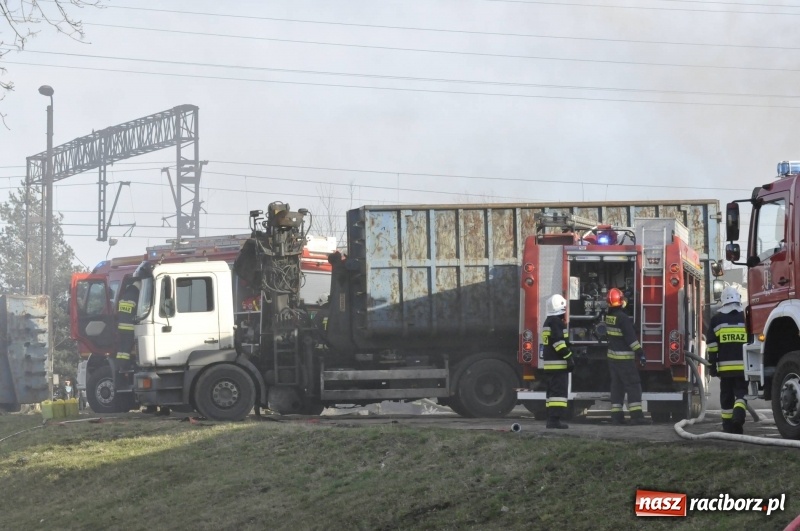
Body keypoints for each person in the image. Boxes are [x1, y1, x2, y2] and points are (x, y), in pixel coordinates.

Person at [605, 288, 651, 425]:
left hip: (612, 359)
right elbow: (631, 339)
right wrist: (640, 353)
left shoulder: (609, 317)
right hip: (624, 359)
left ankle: (617, 417)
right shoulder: (623, 318)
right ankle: (636, 416)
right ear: (621, 301)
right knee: (633, 385)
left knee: (617, 386)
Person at [707, 286, 748, 434]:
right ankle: (739, 417)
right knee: (741, 394)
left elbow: (712, 346)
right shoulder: (746, 318)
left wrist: (712, 366)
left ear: (723, 300)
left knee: (726, 397)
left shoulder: (717, 319)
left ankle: (728, 426)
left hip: (725, 370)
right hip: (744, 368)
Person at [541, 294, 574, 429]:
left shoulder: (548, 321)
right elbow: (558, 343)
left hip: (550, 365)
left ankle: (551, 419)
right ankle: (554, 420)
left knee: (552, 393)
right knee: (558, 393)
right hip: (558, 365)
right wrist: (569, 357)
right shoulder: (556, 322)